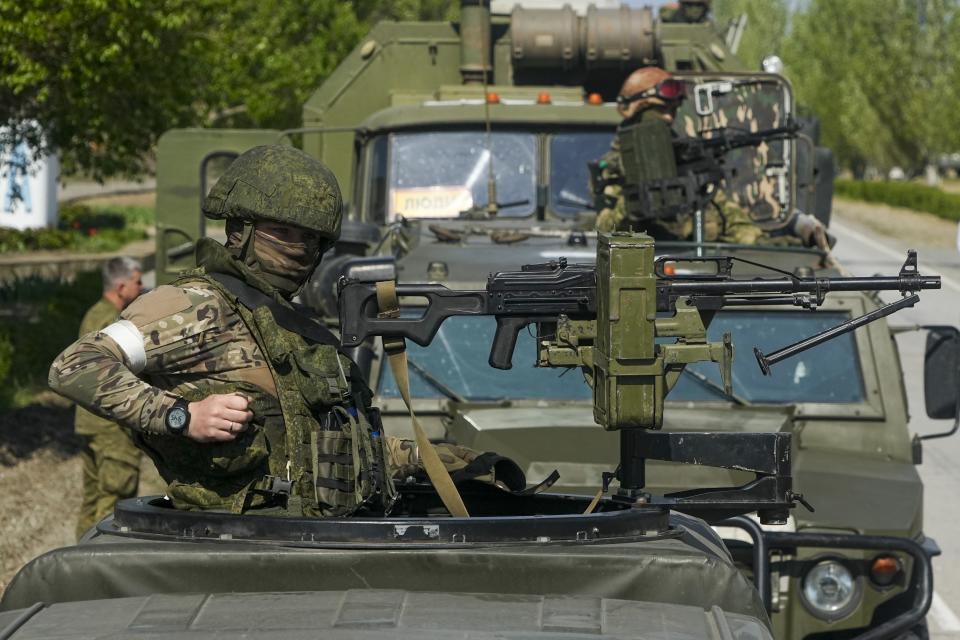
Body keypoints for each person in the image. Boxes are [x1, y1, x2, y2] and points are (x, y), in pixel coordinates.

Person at [50, 145, 518, 518]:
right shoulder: (194, 305)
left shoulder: (295, 330)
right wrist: (182, 416)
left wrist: (427, 460)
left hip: (314, 539)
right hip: (233, 544)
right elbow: (75, 366)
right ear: (241, 231)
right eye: (283, 232)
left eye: (312, 240)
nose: (300, 250)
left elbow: (332, 446)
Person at [593, 67, 831, 249]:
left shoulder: (684, 161)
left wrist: (772, 245)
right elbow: (605, 229)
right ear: (638, 110)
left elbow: (730, 220)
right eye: (661, 110)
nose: (668, 118)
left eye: (673, 111)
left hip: (699, 266)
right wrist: (640, 200)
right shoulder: (617, 166)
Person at [74, 256, 143, 538]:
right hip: (111, 426)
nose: (142, 287)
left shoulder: (93, 314)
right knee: (113, 502)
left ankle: (77, 559)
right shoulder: (112, 322)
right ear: (121, 285)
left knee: (92, 500)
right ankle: (93, 566)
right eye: (138, 282)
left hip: (90, 422)